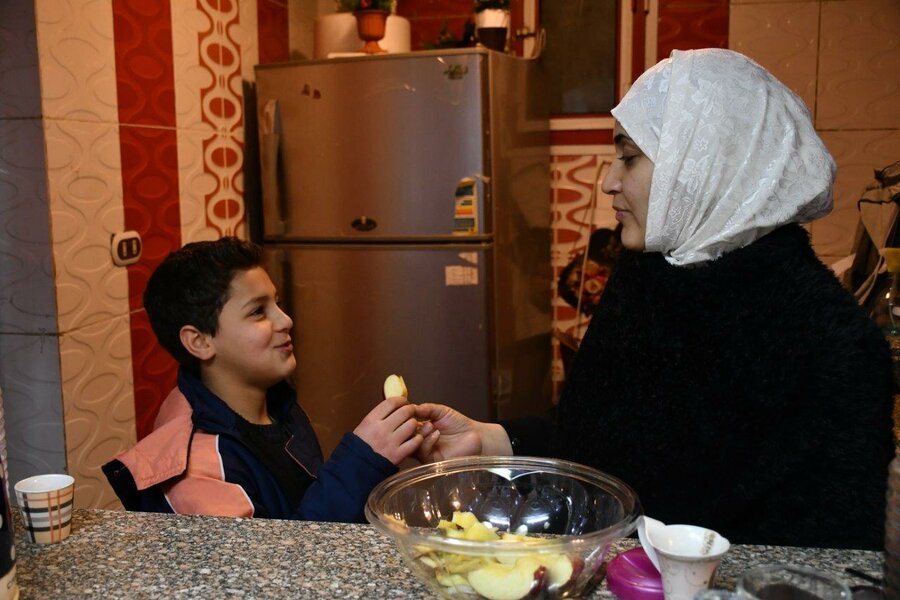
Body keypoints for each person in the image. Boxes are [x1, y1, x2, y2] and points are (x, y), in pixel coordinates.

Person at [414, 49, 895, 550]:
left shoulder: (832, 346)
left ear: (704, 163)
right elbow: (593, 438)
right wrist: (491, 442)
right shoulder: (650, 274)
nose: (608, 182)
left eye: (629, 156)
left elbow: (832, 561)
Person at [103, 237, 426, 522]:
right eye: (258, 311)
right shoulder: (200, 473)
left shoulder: (269, 402)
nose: (285, 320)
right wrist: (362, 459)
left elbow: (303, 508)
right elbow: (272, 574)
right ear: (200, 342)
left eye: (278, 303)